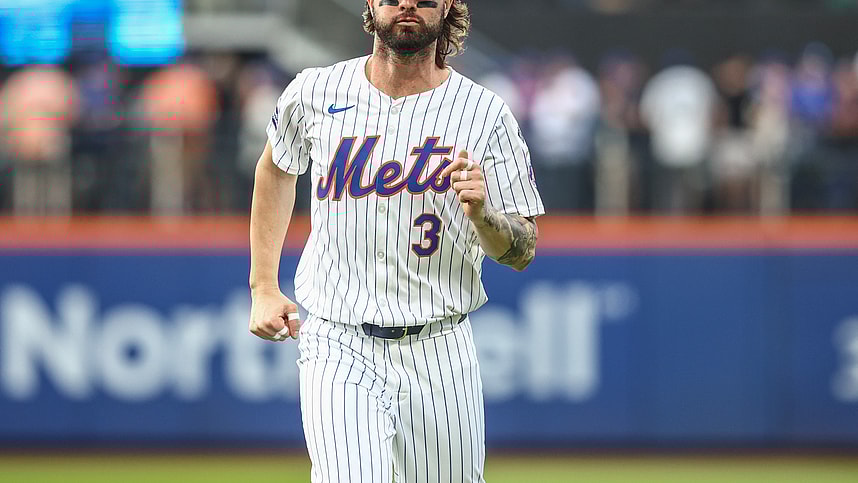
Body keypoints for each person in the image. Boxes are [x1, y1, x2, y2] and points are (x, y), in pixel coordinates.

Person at [247, 1, 544, 482]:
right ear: (370, 3)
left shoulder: (485, 113)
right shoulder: (316, 90)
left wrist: (484, 217)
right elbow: (276, 168)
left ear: (447, 5)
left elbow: (523, 249)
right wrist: (263, 284)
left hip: (440, 343)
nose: (406, 3)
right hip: (338, 337)